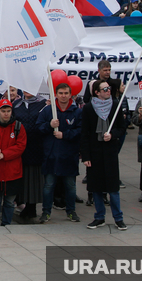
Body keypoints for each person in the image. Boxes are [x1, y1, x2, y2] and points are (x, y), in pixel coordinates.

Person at [81, 80, 127, 230]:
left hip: (110, 153)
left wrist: (112, 135)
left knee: (113, 188)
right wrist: (86, 156)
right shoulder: (88, 108)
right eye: (105, 89)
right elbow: (85, 134)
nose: (108, 90)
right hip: (95, 153)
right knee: (96, 188)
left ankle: (118, 218)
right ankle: (99, 217)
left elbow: (122, 127)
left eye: (109, 88)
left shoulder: (115, 105)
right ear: (97, 92)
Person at [36, 83, 82, 224]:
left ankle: (71, 211)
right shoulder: (48, 111)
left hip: (69, 155)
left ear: (70, 95)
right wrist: (49, 125)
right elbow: (39, 128)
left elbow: (80, 131)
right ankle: (46, 211)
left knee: (70, 186)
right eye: (61, 93)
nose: (63, 96)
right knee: (49, 185)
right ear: (55, 94)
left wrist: (65, 135)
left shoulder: (77, 112)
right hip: (51, 155)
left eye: (66, 93)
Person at [12, 90, 47, 223]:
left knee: (34, 178)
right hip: (20, 147)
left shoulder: (43, 104)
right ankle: (21, 202)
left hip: (37, 146)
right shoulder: (17, 105)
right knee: (22, 177)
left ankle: (31, 206)